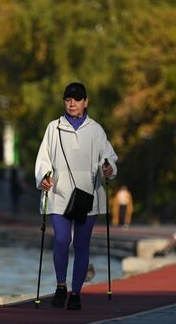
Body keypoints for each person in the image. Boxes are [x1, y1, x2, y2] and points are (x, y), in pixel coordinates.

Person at [35, 82, 117, 310]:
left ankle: (76, 292)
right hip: (59, 194)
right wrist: (43, 176)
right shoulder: (54, 128)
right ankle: (61, 286)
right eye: (68, 99)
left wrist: (108, 169)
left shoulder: (96, 130)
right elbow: (43, 159)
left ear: (86, 102)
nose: (72, 103)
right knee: (61, 240)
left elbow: (108, 158)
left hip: (86, 196)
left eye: (77, 99)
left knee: (81, 245)